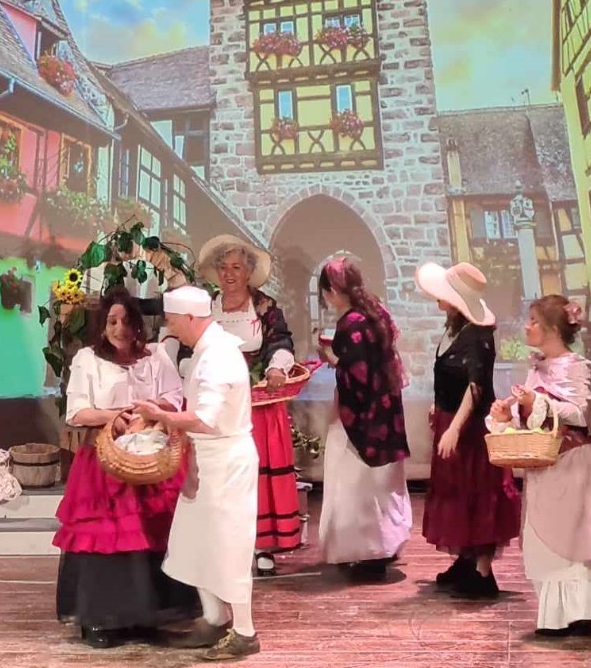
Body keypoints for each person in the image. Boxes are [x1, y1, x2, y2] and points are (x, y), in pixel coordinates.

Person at [51, 289, 197, 647]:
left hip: (150, 458)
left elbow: (175, 396)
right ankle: (101, 618)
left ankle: (147, 615)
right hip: (104, 463)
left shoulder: (156, 356)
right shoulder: (88, 359)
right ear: (102, 326)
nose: (120, 329)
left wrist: (149, 412)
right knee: (106, 538)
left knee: (150, 536)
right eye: (112, 322)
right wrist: (113, 416)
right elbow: (77, 411)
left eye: (126, 321)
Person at [135, 285, 260, 661]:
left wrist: (160, 416)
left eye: (173, 321)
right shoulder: (207, 350)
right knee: (195, 539)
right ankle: (213, 617)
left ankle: (245, 631)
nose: (170, 328)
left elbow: (205, 419)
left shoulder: (218, 357)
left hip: (226, 462)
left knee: (228, 543)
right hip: (207, 458)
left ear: (191, 318)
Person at [167, 236, 300, 576]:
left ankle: (262, 544)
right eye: (223, 268)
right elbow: (187, 349)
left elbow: (281, 342)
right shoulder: (207, 307)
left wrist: (276, 367)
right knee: (214, 473)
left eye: (236, 267)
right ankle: (218, 544)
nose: (229, 274)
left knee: (255, 472)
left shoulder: (265, 307)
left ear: (249, 272)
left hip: (257, 404)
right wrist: (194, 370)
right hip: (212, 401)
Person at [487, 296, 591, 638]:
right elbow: (534, 416)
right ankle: (555, 615)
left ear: (553, 328)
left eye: (533, 321)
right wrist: (509, 413)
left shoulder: (578, 367)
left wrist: (537, 401)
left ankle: (578, 614)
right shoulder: (538, 367)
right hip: (546, 462)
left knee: (572, 537)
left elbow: (579, 413)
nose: (527, 327)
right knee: (543, 539)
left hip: (572, 462)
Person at [415, 261, 521, 599]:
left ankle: (482, 573)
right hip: (451, 418)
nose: (438, 299)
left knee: (479, 491)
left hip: (472, 428)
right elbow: (450, 376)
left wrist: (455, 428)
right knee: (457, 492)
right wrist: (438, 407)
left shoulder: (477, 337)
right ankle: (465, 559)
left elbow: (475, 387)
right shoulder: (455, 329)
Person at [315, 256, 411, 578]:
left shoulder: (350, 323)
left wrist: (333, 360)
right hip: (384, 409)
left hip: (361, 415)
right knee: (382, 484)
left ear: (331, 291)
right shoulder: (375, 311)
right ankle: (386, 544)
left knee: (355, 484)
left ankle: (367, 553)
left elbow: (356, 374)